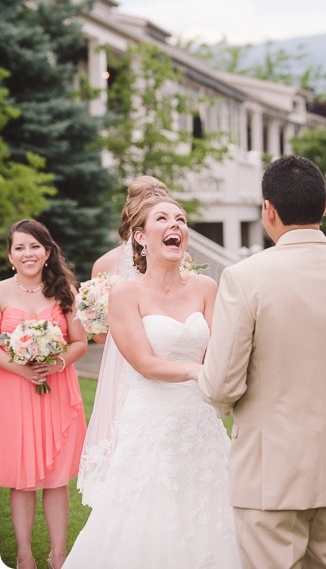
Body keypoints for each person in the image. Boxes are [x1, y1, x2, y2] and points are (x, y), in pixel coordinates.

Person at [198, 155, 326, 569]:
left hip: (270, 475)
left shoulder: (244, 278)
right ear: (324, 206)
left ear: (268, 208)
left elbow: (221, 385)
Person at [63, 196, 241, 568]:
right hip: (151, 424)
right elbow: (144, 363)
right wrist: (197, 372)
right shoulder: (126, 294)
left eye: (181, 219)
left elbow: (220, 351)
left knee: (211, 515)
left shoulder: (207, 287)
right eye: (163, 219)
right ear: (141, 238)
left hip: (201, 424)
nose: (175, 224)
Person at [0, 219, 87, 569]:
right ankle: (24, 557)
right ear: (10, 255)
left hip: (57, 391)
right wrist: (19, 367)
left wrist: (58, 362)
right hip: (15, 391)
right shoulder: (2, 292)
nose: (28, 253)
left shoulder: (65, 290)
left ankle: (59, 555)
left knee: (55, 478)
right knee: (21, 480)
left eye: (35, 246)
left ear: (48, 252)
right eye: (20, 247)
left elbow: (80, 342)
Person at [77, 175, 169, 507]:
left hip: (122, 361)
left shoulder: (103, 263)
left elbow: (99, 335)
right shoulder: (175, 260)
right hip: (159, 355)